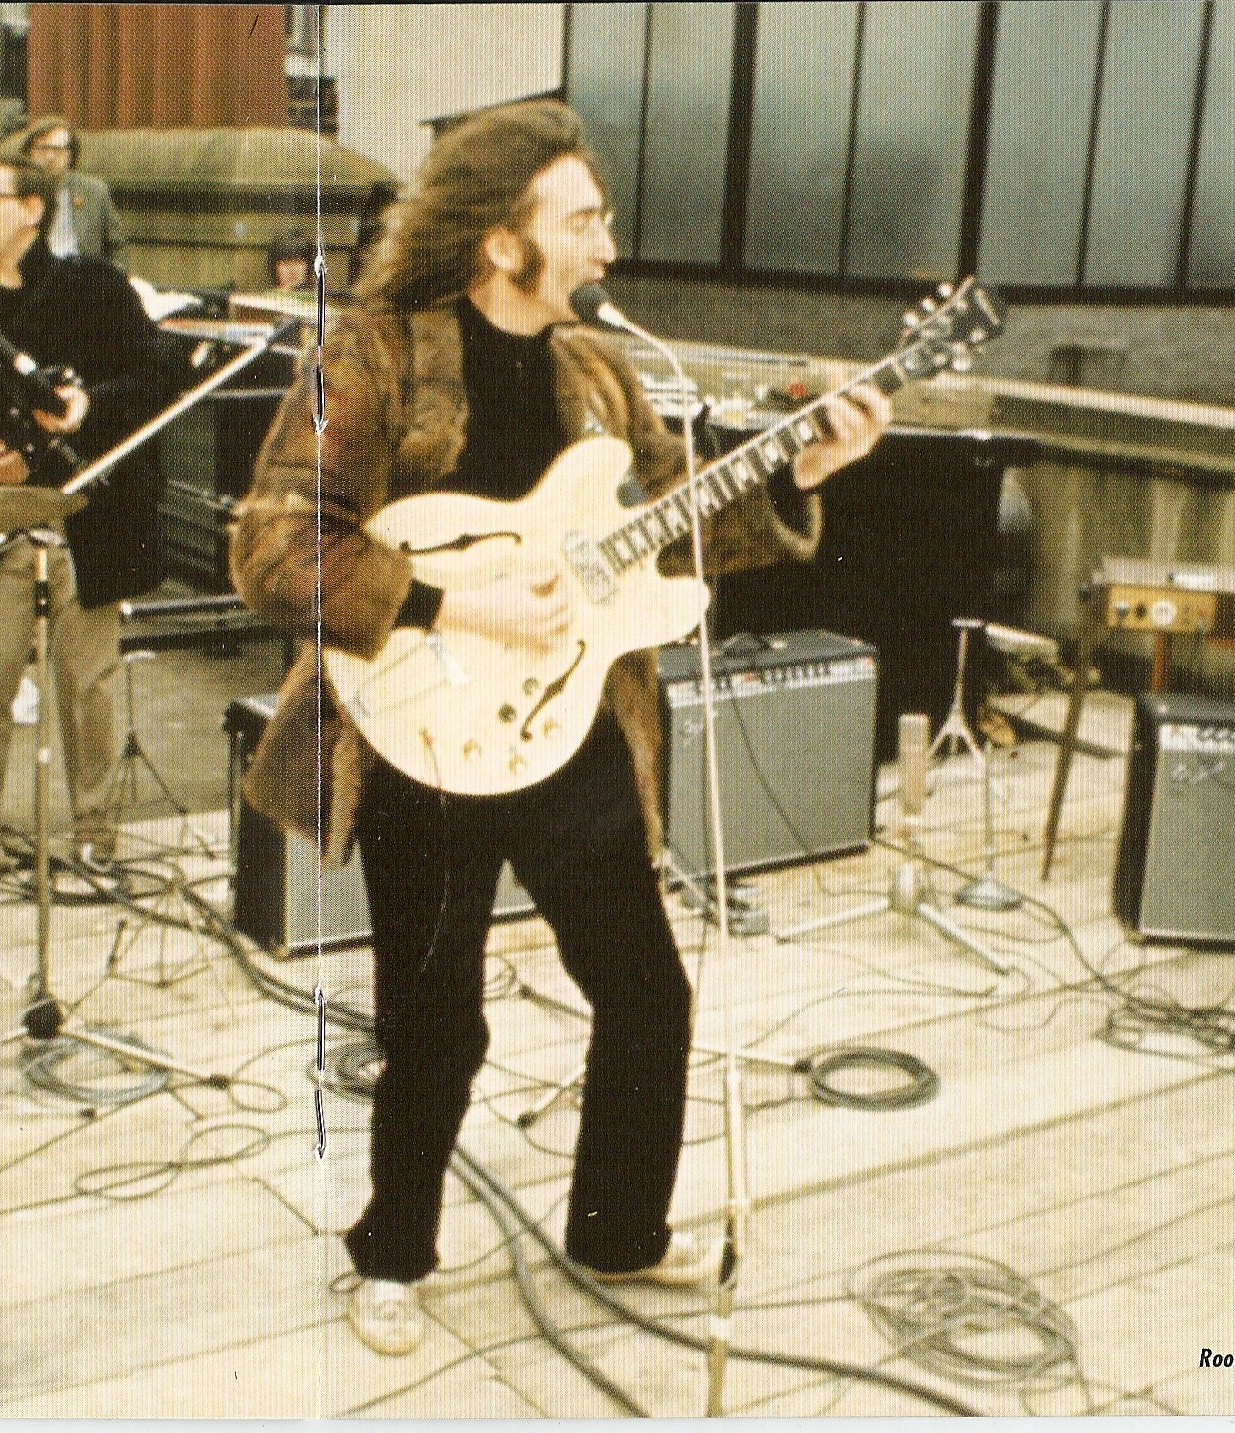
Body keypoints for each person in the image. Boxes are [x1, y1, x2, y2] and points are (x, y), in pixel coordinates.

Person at [227, 100, 887, 1356]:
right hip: (419, 735)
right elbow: (272, 546)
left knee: (647, 992)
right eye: (582, 220)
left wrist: (796, 471)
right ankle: (394, 1251)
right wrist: (449, 599)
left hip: (572, 726)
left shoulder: (599, 374)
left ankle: (617, 1228)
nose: (607, 245)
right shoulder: (370, 356)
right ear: (500, 241)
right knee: (435, 1024)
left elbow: (671, 536)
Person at [0, 149, 169, 877]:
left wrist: (87, 409)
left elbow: (156, 374)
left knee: (87, 682)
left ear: (32, 210)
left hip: (86, 512)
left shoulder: (93, 287)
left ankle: (94, 825)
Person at [21, 117, 128, 268]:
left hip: (82, 276)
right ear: (30, 152)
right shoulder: (16, 192)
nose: (50, 157)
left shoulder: (94, 192)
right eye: (43, 149)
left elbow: (117, 246)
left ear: (70, 155)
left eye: (58, 150)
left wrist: (112, 279)